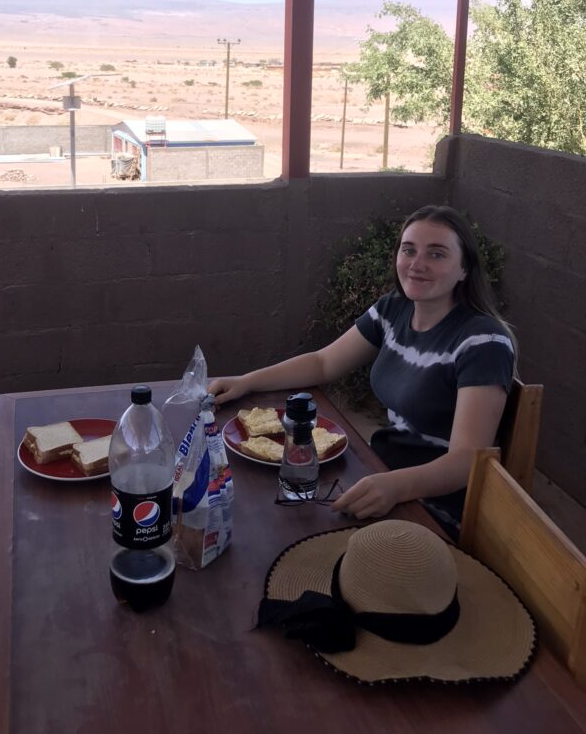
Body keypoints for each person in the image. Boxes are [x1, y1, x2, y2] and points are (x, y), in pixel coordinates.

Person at [209, 205, 515, 531]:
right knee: (253, 504)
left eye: (437, 254)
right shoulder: (394, 309)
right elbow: (324, 363)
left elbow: (467, 460)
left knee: (284, 528)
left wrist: (396, 486)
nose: (417, 264)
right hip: (379, 468)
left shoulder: (483, 341)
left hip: (433, 504)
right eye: (408, 250)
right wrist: (247, 381)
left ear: (464, 269)